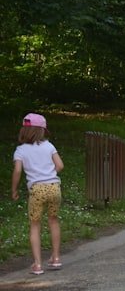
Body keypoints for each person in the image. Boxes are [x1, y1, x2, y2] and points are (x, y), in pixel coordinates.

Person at [11, 113, 64, 275]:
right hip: (54, 187)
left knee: (35, 225)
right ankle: (55, 258)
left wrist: (14, 189)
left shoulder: (20, 150)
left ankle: (38, 264)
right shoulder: (49, 146)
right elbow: (60, 166)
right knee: (53, 221)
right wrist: (48, 174)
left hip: (37, 190)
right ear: (42, 131)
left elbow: (18, 171)